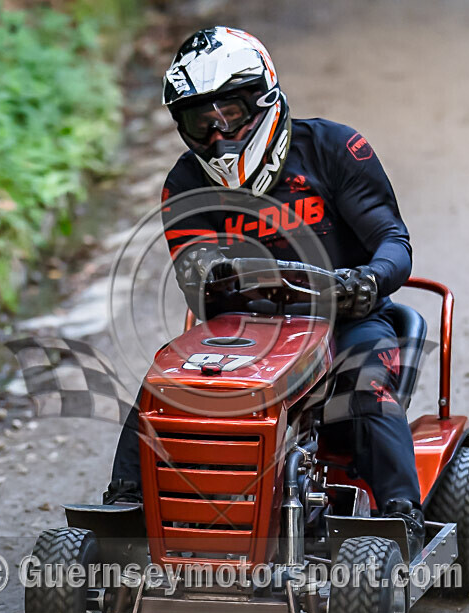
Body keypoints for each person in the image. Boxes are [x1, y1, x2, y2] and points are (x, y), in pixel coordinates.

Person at [105, 27, 425, 555]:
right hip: (244, 332)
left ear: (263, 99)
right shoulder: (186, 186)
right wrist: (221, 275)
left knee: (364, 381)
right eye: (199, 120)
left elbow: (392, 240)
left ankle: (399, 515)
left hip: (347, 317)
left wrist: (367, 281)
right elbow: (198, 284)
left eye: (228, 114)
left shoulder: (334, 149)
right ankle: (125, 507)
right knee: (164, 382)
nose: (217, 134)